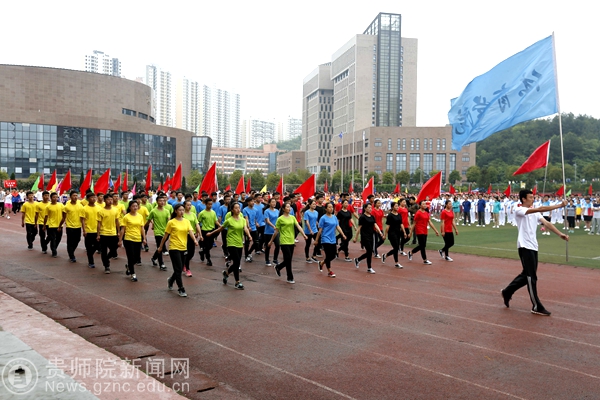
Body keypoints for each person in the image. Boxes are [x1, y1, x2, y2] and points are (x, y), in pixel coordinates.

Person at [501, 190, 568, 316]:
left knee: (526, 275)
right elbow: (540, 208)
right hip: (524, 246)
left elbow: (546, 223)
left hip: (533, 246)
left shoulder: (535, 212)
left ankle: (507, 291)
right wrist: (559, 205)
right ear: (523, 199)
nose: (533, 199)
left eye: (533, 197)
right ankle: (536, 306)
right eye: (531, 197)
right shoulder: (519, 209)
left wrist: (560, 234)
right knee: (531, 277)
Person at [158, 204, 199, 297]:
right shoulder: (171, 222)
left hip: (183, 247)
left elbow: (191, 232)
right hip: (174, 247)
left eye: (183, 210)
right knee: (178, 269)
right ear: (175, 211)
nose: (182, 212)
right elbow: (165, 236)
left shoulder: (186, 221)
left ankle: (171, 280)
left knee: (179, 269)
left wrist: (195, 240)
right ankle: (181, 288)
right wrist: (161, 246)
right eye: (180, 210)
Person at [208, 203, 252, 290]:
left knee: (237, 263)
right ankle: (237, 282)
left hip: (239, 242)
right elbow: (220, 228)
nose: (238, 210)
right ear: (232, 210)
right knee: (236, 261)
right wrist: (211, 234)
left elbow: (245, 228)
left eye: (239, 208)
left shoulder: (242, 220)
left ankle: (227, 273)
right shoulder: (229, 220)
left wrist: (249, 236)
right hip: (231, 243)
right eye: (236, 208)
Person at [269, 203, 307, 284]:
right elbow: (276, 231)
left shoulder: (292, 217)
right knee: (288, 259)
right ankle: (290, 277)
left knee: (288, 259)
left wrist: (304, 235)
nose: (289, 208)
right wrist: (271, 241)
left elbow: (298, 226)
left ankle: (278, 267)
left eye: (290, 207)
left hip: (291, 240)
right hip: (283, 241)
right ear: (283, 209)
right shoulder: (280, 219)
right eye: (287, 207)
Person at [118, 200, 147, 282]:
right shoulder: (126, 217)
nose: (135, 207)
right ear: (130, 207)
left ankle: (129, 267)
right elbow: (123, 229)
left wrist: (144, 238)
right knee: (130, 257)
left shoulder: (140, 216)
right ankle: (133, 274)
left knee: (137, 258)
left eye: (136, 206)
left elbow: (142, 228)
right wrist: (120, 240)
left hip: (138, 239)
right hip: (128, 239)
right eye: (133, 206)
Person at [315, 202, 345, 277]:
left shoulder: (334, 217)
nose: (331, 209)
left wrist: (343, 234)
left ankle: (322, 263)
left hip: (333, 239)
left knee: (334, 255)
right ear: (326, 209)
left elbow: (338, 227)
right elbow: (320, 230)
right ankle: (329, 271)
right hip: (325, 238)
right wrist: (316, 240)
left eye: (332, 207)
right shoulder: (323, 218)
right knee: (328, 255)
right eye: (329, 207)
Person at [353, 203, 384, 274]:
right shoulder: (362, 217)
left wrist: (380, 232)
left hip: (371, 235)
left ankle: (358, 260)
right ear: (365, 208)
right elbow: (359, 228)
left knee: (369, 252)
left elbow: (375, 224)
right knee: (369, 251)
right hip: (364, 236)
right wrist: (356, 237)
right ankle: (369, 268)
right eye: (369, 208)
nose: (370, 209)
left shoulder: (372, 216)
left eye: (371, 208)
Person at [408, 200, 440, 265]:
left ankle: (411, 252)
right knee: (422, 246)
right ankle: (425, 259)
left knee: (423, 245)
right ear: (420, 205)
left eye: (425, 204)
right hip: (419, 230)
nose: (425, 205)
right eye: (423, 204)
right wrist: (410, 232)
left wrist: (436, 230)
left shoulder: (426, 213)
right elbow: (414, 223)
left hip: (425, 230)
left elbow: (430, 222)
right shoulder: (418, 213)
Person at [97, 194, 121, 274]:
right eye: (108, 199)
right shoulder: (101, 211)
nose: (110, 201)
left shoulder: (115, 210)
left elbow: (117, 222)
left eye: (111, 199)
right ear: (104, 200)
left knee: (114, 248)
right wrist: (98, 234)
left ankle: (106, 258)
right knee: (104, 250)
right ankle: (106, 266)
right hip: (104, 233)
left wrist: (118, 231)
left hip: (113, 233)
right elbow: (99, 223)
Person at [148, 195, 170, 271]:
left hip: (165, 232)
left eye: (163, 201)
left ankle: (154, 258)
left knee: (161, 246)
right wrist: (145, 227)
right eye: (160, 201)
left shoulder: (167, 211)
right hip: (157, 232)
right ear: (157, 202)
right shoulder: (153, 211)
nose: (162, 202)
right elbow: (149, 220)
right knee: (160, 247)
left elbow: (169, 221)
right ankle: (161, 264)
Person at [382, 201, 406, 268]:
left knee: (396, 248)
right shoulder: (390, 216)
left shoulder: (399, 215)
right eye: (396, 206)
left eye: (398, 206)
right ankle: (397, 263)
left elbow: (401, 224)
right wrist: (385, 235)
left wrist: (404, 232)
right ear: (392, 207)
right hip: (392, 233)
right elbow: (387, 226)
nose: (397, 207)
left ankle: (385, 256)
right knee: (396, 248)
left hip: (398, 233)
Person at [182, 200, 202, 277]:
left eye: (190, 205)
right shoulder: (182, 214)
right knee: (186, 252)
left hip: (191, 235)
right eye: (188, 205)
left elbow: (197, 224)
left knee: (191, 253)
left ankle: (184, 263)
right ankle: (187, 269)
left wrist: (200, 234)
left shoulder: (193, 214)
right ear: (184, 206)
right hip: (184, 235)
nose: (189, 206)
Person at [43, 192, 64, 258]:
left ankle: (53, 247)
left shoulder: (61, 205)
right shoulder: (48, 207)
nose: (55, 198)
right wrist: (44, 225)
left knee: (58, 238)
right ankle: (54, 251)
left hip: (60, 225)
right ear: (51, 198)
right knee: (52, 238)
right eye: (54, 197)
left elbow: (64, 214)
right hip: (51, 225)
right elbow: (46, 217)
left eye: (56, 197)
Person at [198, 198, 218, 266]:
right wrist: (198, 232)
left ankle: (202, 252)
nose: (210, 205)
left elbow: (216, 221)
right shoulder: (202, 213)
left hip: (212, 230)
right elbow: (198, 222)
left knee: (210, 245)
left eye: (211, 204)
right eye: (209, 204)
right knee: (207, 246)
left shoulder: (213, 212)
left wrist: (221, 226)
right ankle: (208, 259)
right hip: (205, 231)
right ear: (206, 204)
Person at [263, 198, 280, 267]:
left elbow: (278, 220)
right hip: (268, 231)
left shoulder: (277, 211)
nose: (274, 203)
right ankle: (267, 260)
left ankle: (275, 259)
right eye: (272, 202)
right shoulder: (266, 211)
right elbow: (267, 221)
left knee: (278, 245)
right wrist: (273, 226)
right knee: (268, 246)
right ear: (269, 203)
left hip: (276, 231)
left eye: (275, 202)